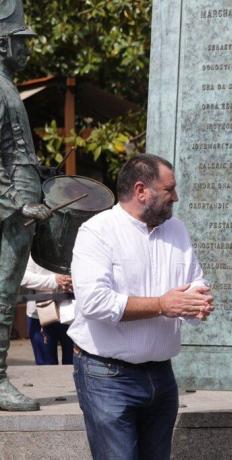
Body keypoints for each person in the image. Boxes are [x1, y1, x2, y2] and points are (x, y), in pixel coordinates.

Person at [69, 154, 214, 460]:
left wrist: (197, 302)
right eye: (169, 189)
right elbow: (94, 302)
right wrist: (163, 304)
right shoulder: (97, 232)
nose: (175, 196)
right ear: (140, 191)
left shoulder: (177, 230)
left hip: (161, 376)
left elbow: (194, 282)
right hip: (106, 376)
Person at [0, 0, 51, 411]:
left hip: (17, 209)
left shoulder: (7, 86)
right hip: (8, 212)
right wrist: (19, 205)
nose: (27, 50)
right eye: (21, 41)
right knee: (2, 295)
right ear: (2, 46)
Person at [21, 256, 74, 365]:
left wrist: (75, 282)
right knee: (45, 367)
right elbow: (22, 276)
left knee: (75, 366)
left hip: (73, 314)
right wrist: (54, 281)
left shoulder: (78, 243)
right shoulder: (35, 246)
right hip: (40, 314)